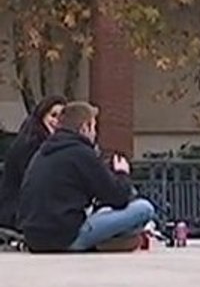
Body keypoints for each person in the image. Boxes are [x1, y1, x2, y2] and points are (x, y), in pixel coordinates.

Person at [18, 101, 156, 253]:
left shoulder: (43, 152)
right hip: (66, 238)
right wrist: (122, 173)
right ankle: (114, 240)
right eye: (94, 127)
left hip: (34, 239)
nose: (95, 133)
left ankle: (113, 241)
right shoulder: (81, 153)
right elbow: (118, 197)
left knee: (104, 213)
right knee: (144, 209)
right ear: (84, 128)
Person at [0, 95, 66, 231]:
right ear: (42, 116)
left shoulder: (49, 143)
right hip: (17, 211)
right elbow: (34, 184)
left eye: (62, 117)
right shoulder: (31, 144)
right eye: (53, 115)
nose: (57, 121)